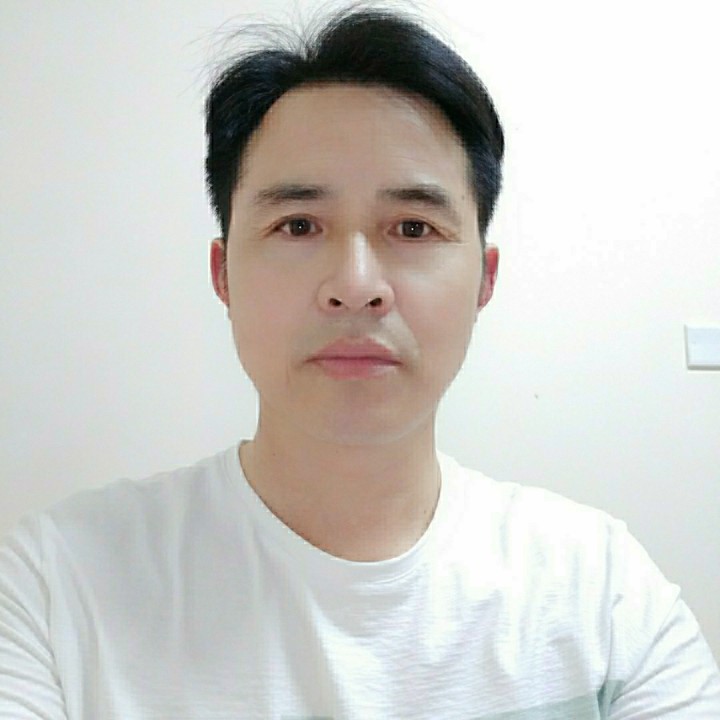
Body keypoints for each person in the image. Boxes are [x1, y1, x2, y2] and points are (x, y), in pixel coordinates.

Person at [1, 5, 719, 719]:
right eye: (298, 225)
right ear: (223, 275)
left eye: (413, 227)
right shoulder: (56, 587)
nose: (355, 284)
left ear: (485, 279)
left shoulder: (602, 594)